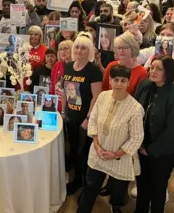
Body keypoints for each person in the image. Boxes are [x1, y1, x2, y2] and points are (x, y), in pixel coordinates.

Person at [77, 64, 144, 213]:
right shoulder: (102, 96)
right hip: (98, 152)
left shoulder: (135, 108)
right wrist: (96, 145)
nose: (119, 84)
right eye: (116, 80)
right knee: (90, 187)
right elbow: (93, 120)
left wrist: (116, 154)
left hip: (120, 158)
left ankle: (116, 208)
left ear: (128, 82)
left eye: (123, 80)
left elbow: (136, 138)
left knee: (118, 193)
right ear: (110, 80)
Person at [133, 56, 174, 213]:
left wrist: (150, 149)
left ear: (168, 72)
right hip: (142, 145)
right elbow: (134, 110)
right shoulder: (145, 85)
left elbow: (173, 131)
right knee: (142, 185)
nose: (153, 71)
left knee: (158, 189)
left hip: (164, 152)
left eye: (159, 69)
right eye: (152, 67)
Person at [62, 32, 102, 195]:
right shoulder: (68, 66)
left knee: (82, 152)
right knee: (73, 147)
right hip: (70, 115)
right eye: (77, 46)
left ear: (90, 51)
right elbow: (65, 91)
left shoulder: (93, 70)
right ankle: (77, 179)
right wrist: (64, 111)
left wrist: (88, 118)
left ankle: (85, 184)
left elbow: (96, 97)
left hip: (85, 119)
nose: (79, 50)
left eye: (84, 48)